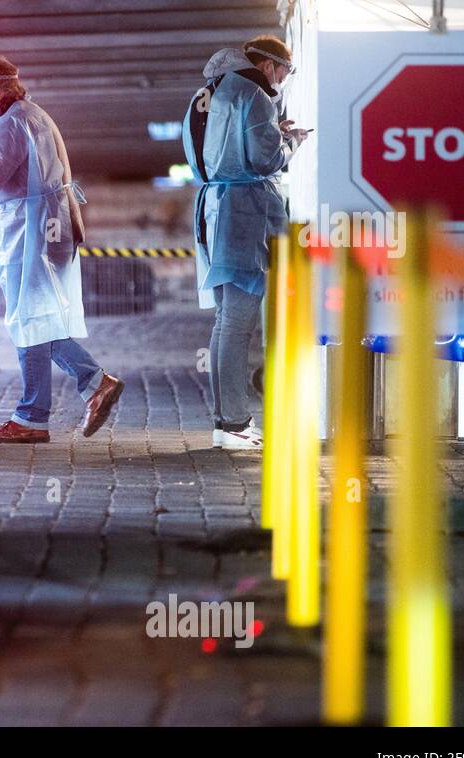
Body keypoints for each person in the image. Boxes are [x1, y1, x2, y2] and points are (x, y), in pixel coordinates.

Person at [0, 56, 123, 444]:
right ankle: (81, 388)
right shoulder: (34, 115)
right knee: (38, 317)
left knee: (28, 319)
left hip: (25, 236)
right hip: (50, 229)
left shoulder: (5, 126)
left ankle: (39, 411)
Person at [182, 35, 310, 451]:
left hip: (212, 208)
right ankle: (234, 423)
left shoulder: (209, 90)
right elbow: (264, 160)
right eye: (285, 72)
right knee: (238, 323)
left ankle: (226, 422)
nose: (282, 81)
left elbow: (219, 149)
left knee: (225, 322)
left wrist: (272, 132)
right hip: (243, 214)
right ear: (270, 65)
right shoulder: (254, 93)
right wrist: (291, 140)